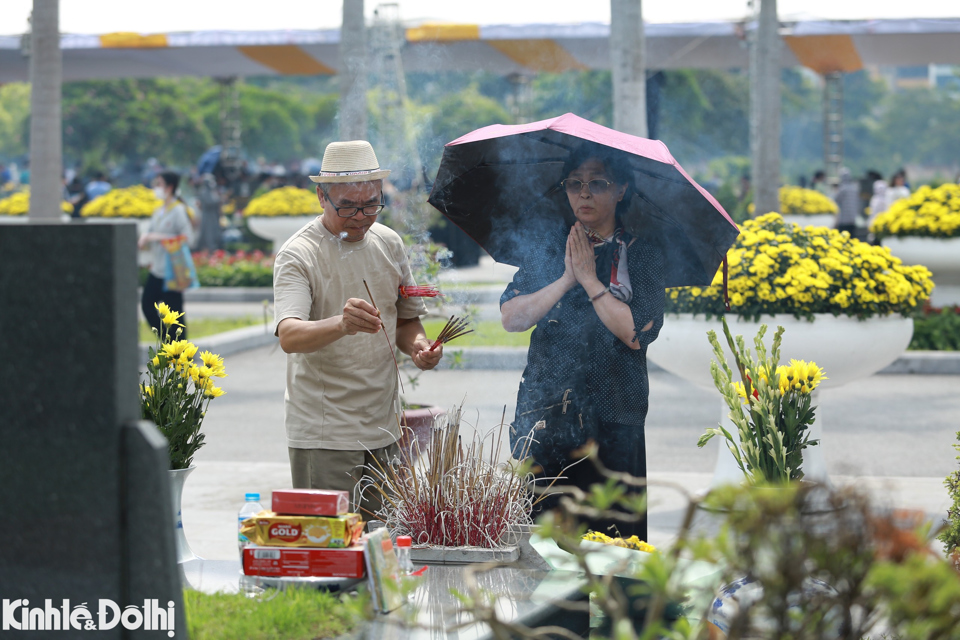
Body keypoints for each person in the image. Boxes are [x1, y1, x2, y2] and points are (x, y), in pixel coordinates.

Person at [500, 149, 665, 540]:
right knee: (548, 549)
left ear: (621, 189)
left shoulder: (641, 252)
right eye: (574, 183)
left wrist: (591, 280)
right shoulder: (550, 244)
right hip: (549, 416)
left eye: (597, 183)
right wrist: (566, 279)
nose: (584, 194)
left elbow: (634, 333)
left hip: (615, 417)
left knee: (616, 548)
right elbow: (512, 317)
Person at [273, 140, 444, 517]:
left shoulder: (389, 243)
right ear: (321, 196)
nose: (361, 216)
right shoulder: (299, 254)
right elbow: (290, 335)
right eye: (347, 206)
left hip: (384, 426)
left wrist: (418, 347)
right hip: (325, 433)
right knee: (330, 546)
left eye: (371, 204)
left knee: (382, 545)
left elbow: (407, 318)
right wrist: (342, 323)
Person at [138, 171, 193, 338]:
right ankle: (168, 341)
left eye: (159, 184)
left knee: (174, 313)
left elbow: (187, 239)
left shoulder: (178, 210)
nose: (156, 188)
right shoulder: (158, 210)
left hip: (172, 271)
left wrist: (155, 237)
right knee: (147, 304)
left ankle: (181, 355)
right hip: (157, 268)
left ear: (170, 187)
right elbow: (149, 233)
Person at [195, 173, 223, 251]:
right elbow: (210, 202)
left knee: (215, 231)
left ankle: (214, 247)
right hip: (207, 215)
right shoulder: (204, 191)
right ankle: (208, 248)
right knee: (208, 232)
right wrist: (219, 200)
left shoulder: (213, 191)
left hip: (213, 215)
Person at [834, 168, 861, 236]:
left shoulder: (842, 189)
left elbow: (836, 200)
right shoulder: (854, 188)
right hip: (852, 219)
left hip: (843, 220)